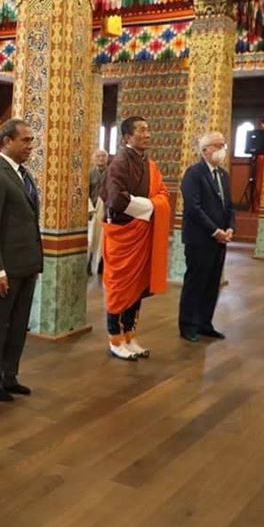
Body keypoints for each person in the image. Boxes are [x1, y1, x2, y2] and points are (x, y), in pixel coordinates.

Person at [0, 118, 43, 402]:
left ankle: (10, 376)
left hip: (27, 264)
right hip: (6, 267)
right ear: (7, 141)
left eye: (31, 140)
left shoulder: (23, 174)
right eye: (25, 140)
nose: (31, 145)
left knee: (18, 325)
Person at [101, 116, 170, 360]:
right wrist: (151, 206)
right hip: (123, 233)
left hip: (142, 232)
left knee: (137, 287)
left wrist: (152, 204)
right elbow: (116, 199)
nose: (147, 134)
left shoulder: (150, 165)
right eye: (141, 130)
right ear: (127, 137)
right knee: (119, 287)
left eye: (148, 129)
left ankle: (130, 335)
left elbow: (163, 193)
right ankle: (115, 338)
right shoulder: (119, 163)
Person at [178, 131, 236, 342]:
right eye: (217, 146)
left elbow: (229, 206)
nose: (222, 150)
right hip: (200, 239)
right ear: (205, 150)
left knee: (212, 283)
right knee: (196, 283)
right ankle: (188, 325)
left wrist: (229, 228)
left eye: (223, 145)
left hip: (220, 240)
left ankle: (205, 323)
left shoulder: (223, 175)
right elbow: (193, 208)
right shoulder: (194, 173)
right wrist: (215, 231)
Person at [87, 148, 109, 276]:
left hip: (106, 210)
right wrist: (89, 209)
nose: (101, 159)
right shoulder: (90, 174)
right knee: (91, 239)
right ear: (94, 159)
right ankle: (89, 264)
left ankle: (102, 265)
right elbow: (86, 192)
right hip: (93, 210)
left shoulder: (111, 173)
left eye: (103, 156)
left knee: (104, 239)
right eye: (98, 156)